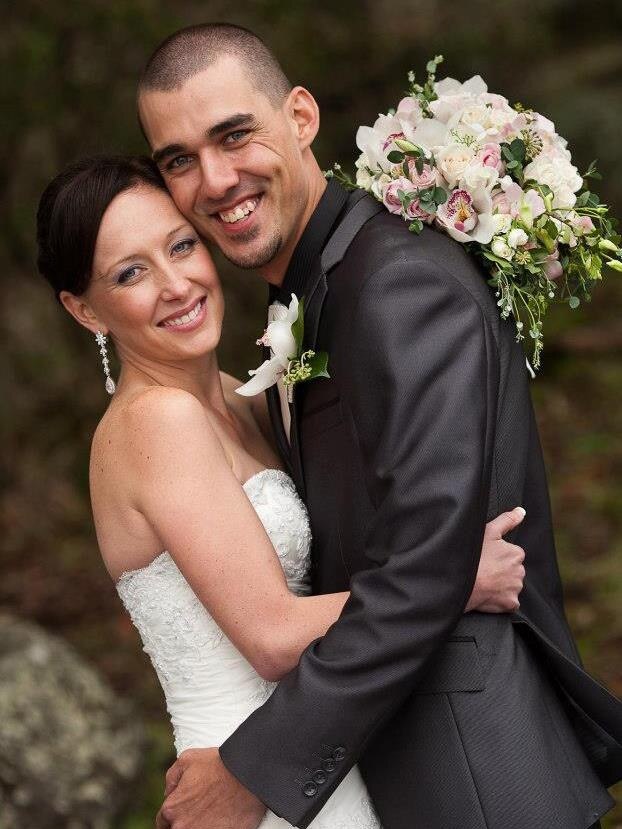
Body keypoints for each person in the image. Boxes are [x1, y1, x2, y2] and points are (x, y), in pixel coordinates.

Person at [134, 23, 622, 829]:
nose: (214, 179)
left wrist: (255, 771)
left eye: (233, 135)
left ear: (300, 117)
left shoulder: (396, 283)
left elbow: (425, 568)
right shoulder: (319, 285)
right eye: (179, 160)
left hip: (473, 774)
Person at [36, 155, 529, 829]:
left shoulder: (242, 402)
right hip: (250, 781)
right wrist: (456, 577)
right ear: (84, 308)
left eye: (180, 245)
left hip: (318, 752)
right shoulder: (157, 421)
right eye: (130, 273)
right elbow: (271, 634)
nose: (176, 283)